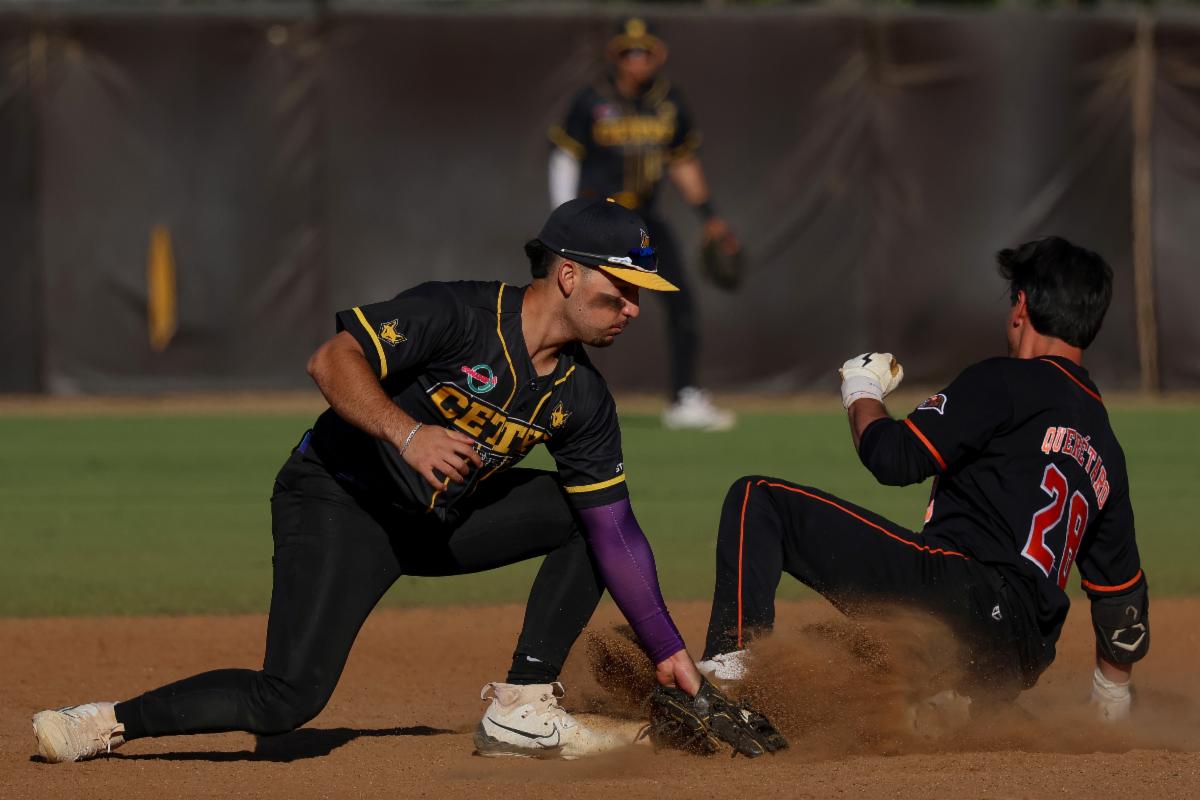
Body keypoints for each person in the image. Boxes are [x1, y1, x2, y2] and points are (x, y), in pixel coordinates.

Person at [31, 198, 774, 763]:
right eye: (621, 289)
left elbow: (615, 530)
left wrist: (668, 650)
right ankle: (103, 722)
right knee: (287, 699)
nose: (634, 309)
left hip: (440, 522)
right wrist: (408, 433)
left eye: (641, 294)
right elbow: (331, 360)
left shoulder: (583, 398)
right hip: (338, 502)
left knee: (583, 515)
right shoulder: (459, 314)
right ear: (568, 274)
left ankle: (521, 706)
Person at [697, 237, 1149, 721]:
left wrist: (861, 388)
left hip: (959, 600)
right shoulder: (1106, 447)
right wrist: (1112, 699)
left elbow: (893, 458)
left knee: (759, 501)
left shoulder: (1006, 381)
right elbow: (1121, 598)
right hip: (1020, 656)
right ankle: (948, 701)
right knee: (839, 670)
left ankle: (729, 681)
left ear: (1021, 306)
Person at [548, 17, 739, 431]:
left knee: (681, 301)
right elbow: (565, 155)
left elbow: (682, 161)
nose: (637, 59)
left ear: (659, 55)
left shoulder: (669, 102)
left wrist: (709, 217)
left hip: (644, 222)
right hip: (598, 217)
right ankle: (551, 391)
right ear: (614, 55)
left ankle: (684, 397)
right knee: (572, 304)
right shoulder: (592, 99)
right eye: (628, 51)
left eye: (644, 51)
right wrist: (565, 216)